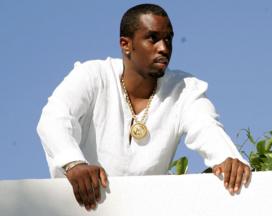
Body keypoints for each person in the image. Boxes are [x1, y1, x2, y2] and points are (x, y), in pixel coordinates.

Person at [37, 3, 251, 211]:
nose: (164, 48)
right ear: (126, 44)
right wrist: (74, 164)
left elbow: (206, 126)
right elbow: (54, 118)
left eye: (168, 39)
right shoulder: (93, 75)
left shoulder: (184, 89)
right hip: (84, 206)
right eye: (153, 38)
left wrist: (227, 158)